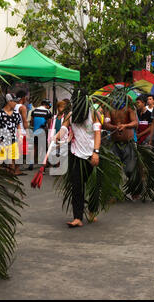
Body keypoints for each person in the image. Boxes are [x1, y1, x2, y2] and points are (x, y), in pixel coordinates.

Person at [54, 93, 101, 227]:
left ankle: (92, 210)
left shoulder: (94, 114)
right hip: (76, 155)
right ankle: (78, 217)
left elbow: (97, 133)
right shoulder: (70, 115)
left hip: (91, 155)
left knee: (94, 185)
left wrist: (96, 152)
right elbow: (64, 128)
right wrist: (57, 136)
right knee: (77, 187)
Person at [103, 94, 138, 180]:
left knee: (130, 169)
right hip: (114, 142)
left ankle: (134, 190)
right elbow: (106, 124)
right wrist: (115, 127)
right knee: (114, 169)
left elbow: (135, 122)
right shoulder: (109, 107)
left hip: (128, 142)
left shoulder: (129, 107)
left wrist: (125, 126)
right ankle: (116, 191)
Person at [0, 94, 23, 175]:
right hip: (2, 141)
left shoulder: (16, 114)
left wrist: (20, 136)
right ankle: (0, 180)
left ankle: (11, 178)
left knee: (12, 160)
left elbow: (18, 126)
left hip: (13, 141)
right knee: (0, 160)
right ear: (9, 102)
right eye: (15, 102)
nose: (16, 104)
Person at [29, 99, 53, 170]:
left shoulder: (34, 111)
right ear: (47, 105)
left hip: (35, 132)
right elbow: (49, 124)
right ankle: (44, 165)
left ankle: (31, 163)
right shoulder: (48, 112)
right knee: (44, 148)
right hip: (43, 132)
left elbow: (32, 123)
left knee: (34, 147)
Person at [13, 90, 29, 173]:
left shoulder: (14, 106)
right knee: (20, 151)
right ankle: (17, 169)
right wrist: (28, 131)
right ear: (23, 97)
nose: (27, 99)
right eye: (26, 97)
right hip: (21, 131)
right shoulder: (22, 107)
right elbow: (25, 121)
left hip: (14, 130)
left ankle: (14, 168)